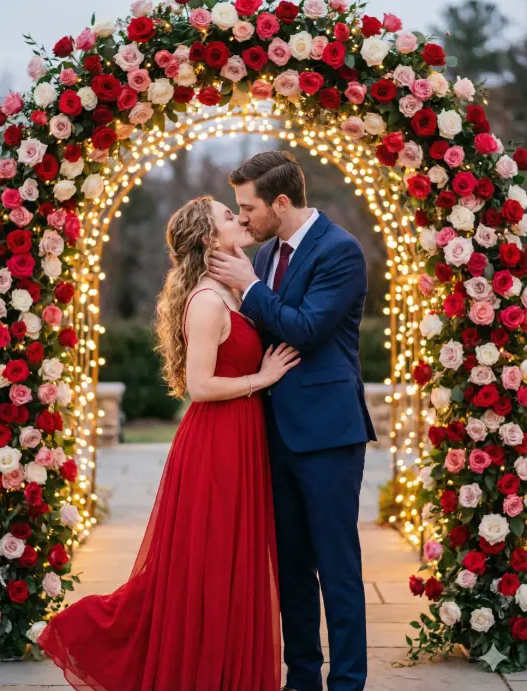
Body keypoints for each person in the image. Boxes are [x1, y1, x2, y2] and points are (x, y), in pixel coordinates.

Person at [38, 195, 300, 691]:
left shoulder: (234, 290)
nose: (240, 218)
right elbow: (199, 386)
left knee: (232, 567)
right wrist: (262, 379)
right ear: (208, 239)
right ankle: (92, 635)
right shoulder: (205, 301)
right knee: (205, 566)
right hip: (216, 443)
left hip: (242, 438)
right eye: (228, 215)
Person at [207, 151, 376, 691]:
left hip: (328, 434)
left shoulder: (340, 252)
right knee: (292, 567)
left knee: (337, 567)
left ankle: (347, 683)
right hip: (273, 432)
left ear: (281, 202)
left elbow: (305, 328)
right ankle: (302, 678)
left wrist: (250, 289)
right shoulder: (262, 258)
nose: (244, 217)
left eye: (248, 207)